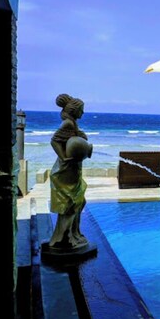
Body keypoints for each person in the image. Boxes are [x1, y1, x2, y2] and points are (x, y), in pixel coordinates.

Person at [48, 94, 89, 249]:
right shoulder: (68, 124)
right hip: (66, 170)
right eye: (81, 109)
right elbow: (54, 141)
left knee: (78, 202)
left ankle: (73, 233)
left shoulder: (72, 124)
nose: (83, 112)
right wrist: (64, 157)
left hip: (72, 169)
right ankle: (64, 238)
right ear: (74, 110)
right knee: (71, 204)